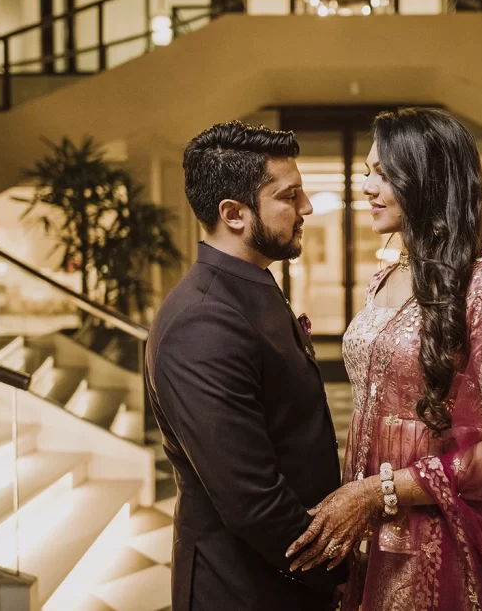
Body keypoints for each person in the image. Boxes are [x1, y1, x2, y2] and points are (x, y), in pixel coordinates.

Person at [285, 108, 482, 611]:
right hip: (374, 527)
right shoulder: (383, 278)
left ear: (428, 181)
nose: (366, 186)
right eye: (367, 171)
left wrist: (380, 492)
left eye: (383, 173)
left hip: (441, 532)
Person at [144, 121, 347, 611]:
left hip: (280, 578)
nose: (307, 208)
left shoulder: (248, 283)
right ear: (234, 214)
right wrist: (339, 572)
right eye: (289, 196)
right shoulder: (202, 320)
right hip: (244, 586)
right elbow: (252, 500)